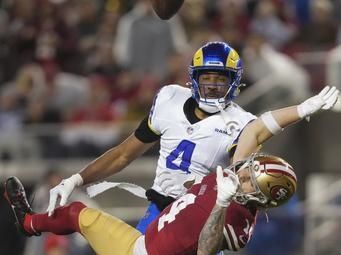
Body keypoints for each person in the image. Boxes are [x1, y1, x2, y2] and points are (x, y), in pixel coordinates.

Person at [45, 41, 339, 234]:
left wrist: (301, 109)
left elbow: (259, 129)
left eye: (220, 80)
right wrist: (77, 179)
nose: (212, 87)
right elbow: (124, 153)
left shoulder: (239, 122)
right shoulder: (169, 98)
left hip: (200, 220)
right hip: (158, 211)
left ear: (234, 83)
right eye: (206, 78)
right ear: (193, 78)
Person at [4, 153, 297, 255]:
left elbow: (206, 249)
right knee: (78, 214)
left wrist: (221, 203)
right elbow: (193, 197)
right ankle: (28, 222)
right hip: (140, 243)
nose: (241, 173)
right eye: (247, 168)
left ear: (262, 198)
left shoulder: (239, 220)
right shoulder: (225, 177)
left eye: (249, 180)